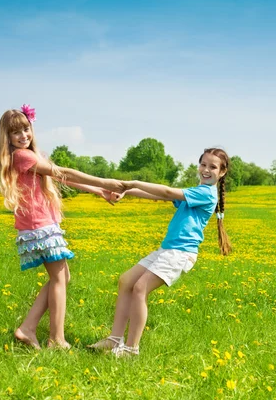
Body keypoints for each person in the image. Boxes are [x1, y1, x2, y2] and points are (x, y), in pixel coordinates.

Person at [0, 105, 125, 350]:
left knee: (62, 276)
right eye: (16, 133)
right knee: (59, 277)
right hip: (39, 226)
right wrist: (105, 181)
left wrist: (98, 191)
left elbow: (59, 177)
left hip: (41, 223)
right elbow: (62, 171)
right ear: (8, 138)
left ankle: (27, 328)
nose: (23, 136)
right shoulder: (22, 156)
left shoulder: (31, 156)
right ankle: (56, 339)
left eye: (26, 129)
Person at [88, 148, 232, 357]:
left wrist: (134, 183)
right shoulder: (195, 191)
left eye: (213, 167)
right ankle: (113, 340)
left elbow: (166, 191)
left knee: (139, 288)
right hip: (168, 249)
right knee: (126, 281)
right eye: (203, 164)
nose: (206, 170)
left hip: (180, 252)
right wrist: (127, 192)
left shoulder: (205, 194)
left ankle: (130, 349)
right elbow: (157, 195)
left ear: (222, 172)